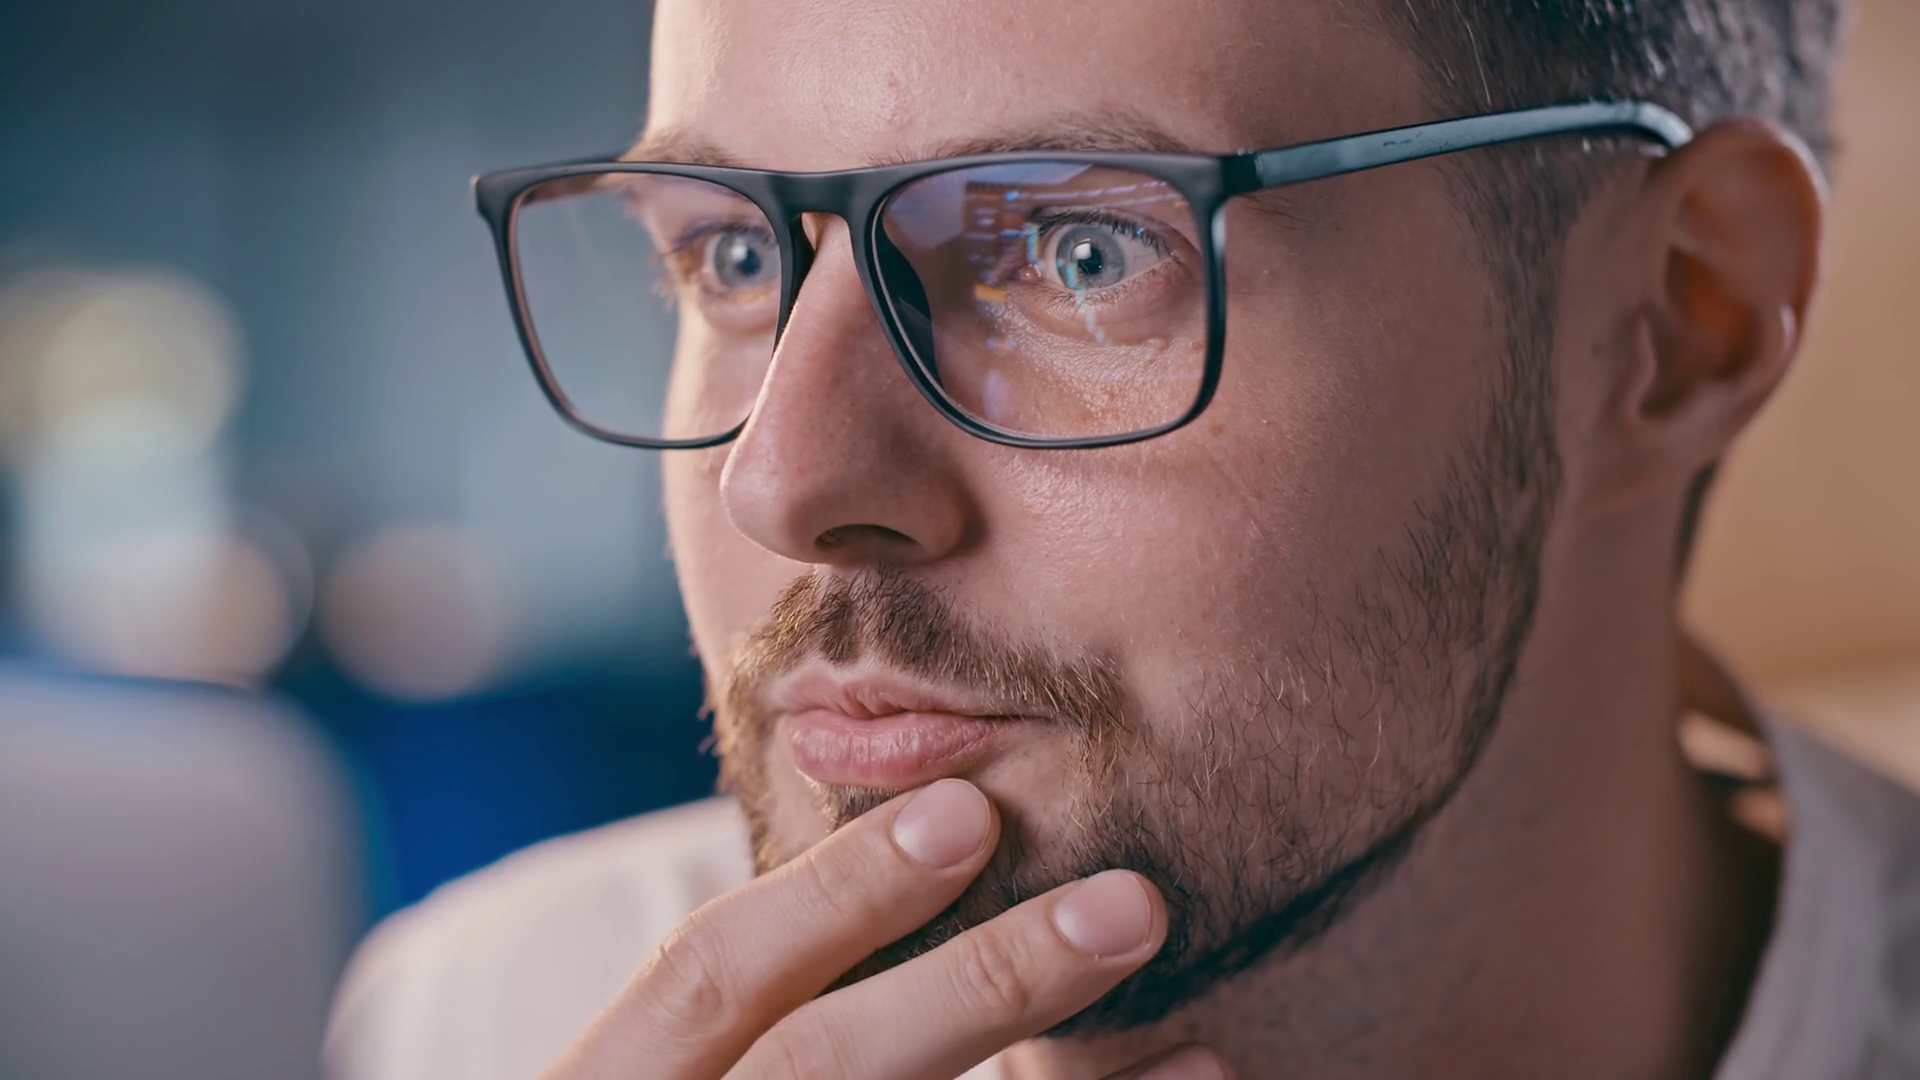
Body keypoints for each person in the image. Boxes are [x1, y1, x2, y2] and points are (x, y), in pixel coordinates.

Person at [326, 0, 1920, 1076]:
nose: (784, 482)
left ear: (1678, 321)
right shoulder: (486, 1016)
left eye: (1079, 251)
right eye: (735, 257)